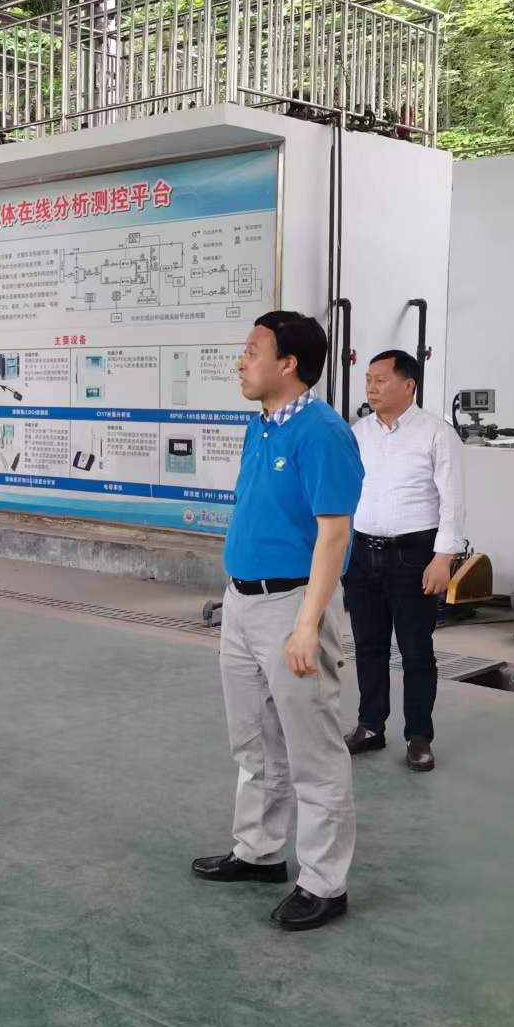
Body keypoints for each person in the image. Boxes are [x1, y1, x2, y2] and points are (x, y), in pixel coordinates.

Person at [192, 312, 364, 932]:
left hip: (293, 606)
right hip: (241, 604)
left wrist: (307, 626)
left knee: (312, 751)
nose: (241, 361)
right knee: (255, 741)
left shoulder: (323, 433)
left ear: (288, 364)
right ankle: (259, 851)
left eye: (252, 350)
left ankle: (324, 883)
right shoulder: (261, 424)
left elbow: (334, 534)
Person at [343, 350, 464, 773]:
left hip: (414, 556)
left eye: (380, 380)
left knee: (415, 649)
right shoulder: (359, 433)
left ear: (408, 384)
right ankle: (370, 726)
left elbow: (453, 502)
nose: (371, 387)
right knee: (368, 645)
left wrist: (443, 558)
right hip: (362, 554)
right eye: (368, 380)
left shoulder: (436, 434)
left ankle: (419, 736)